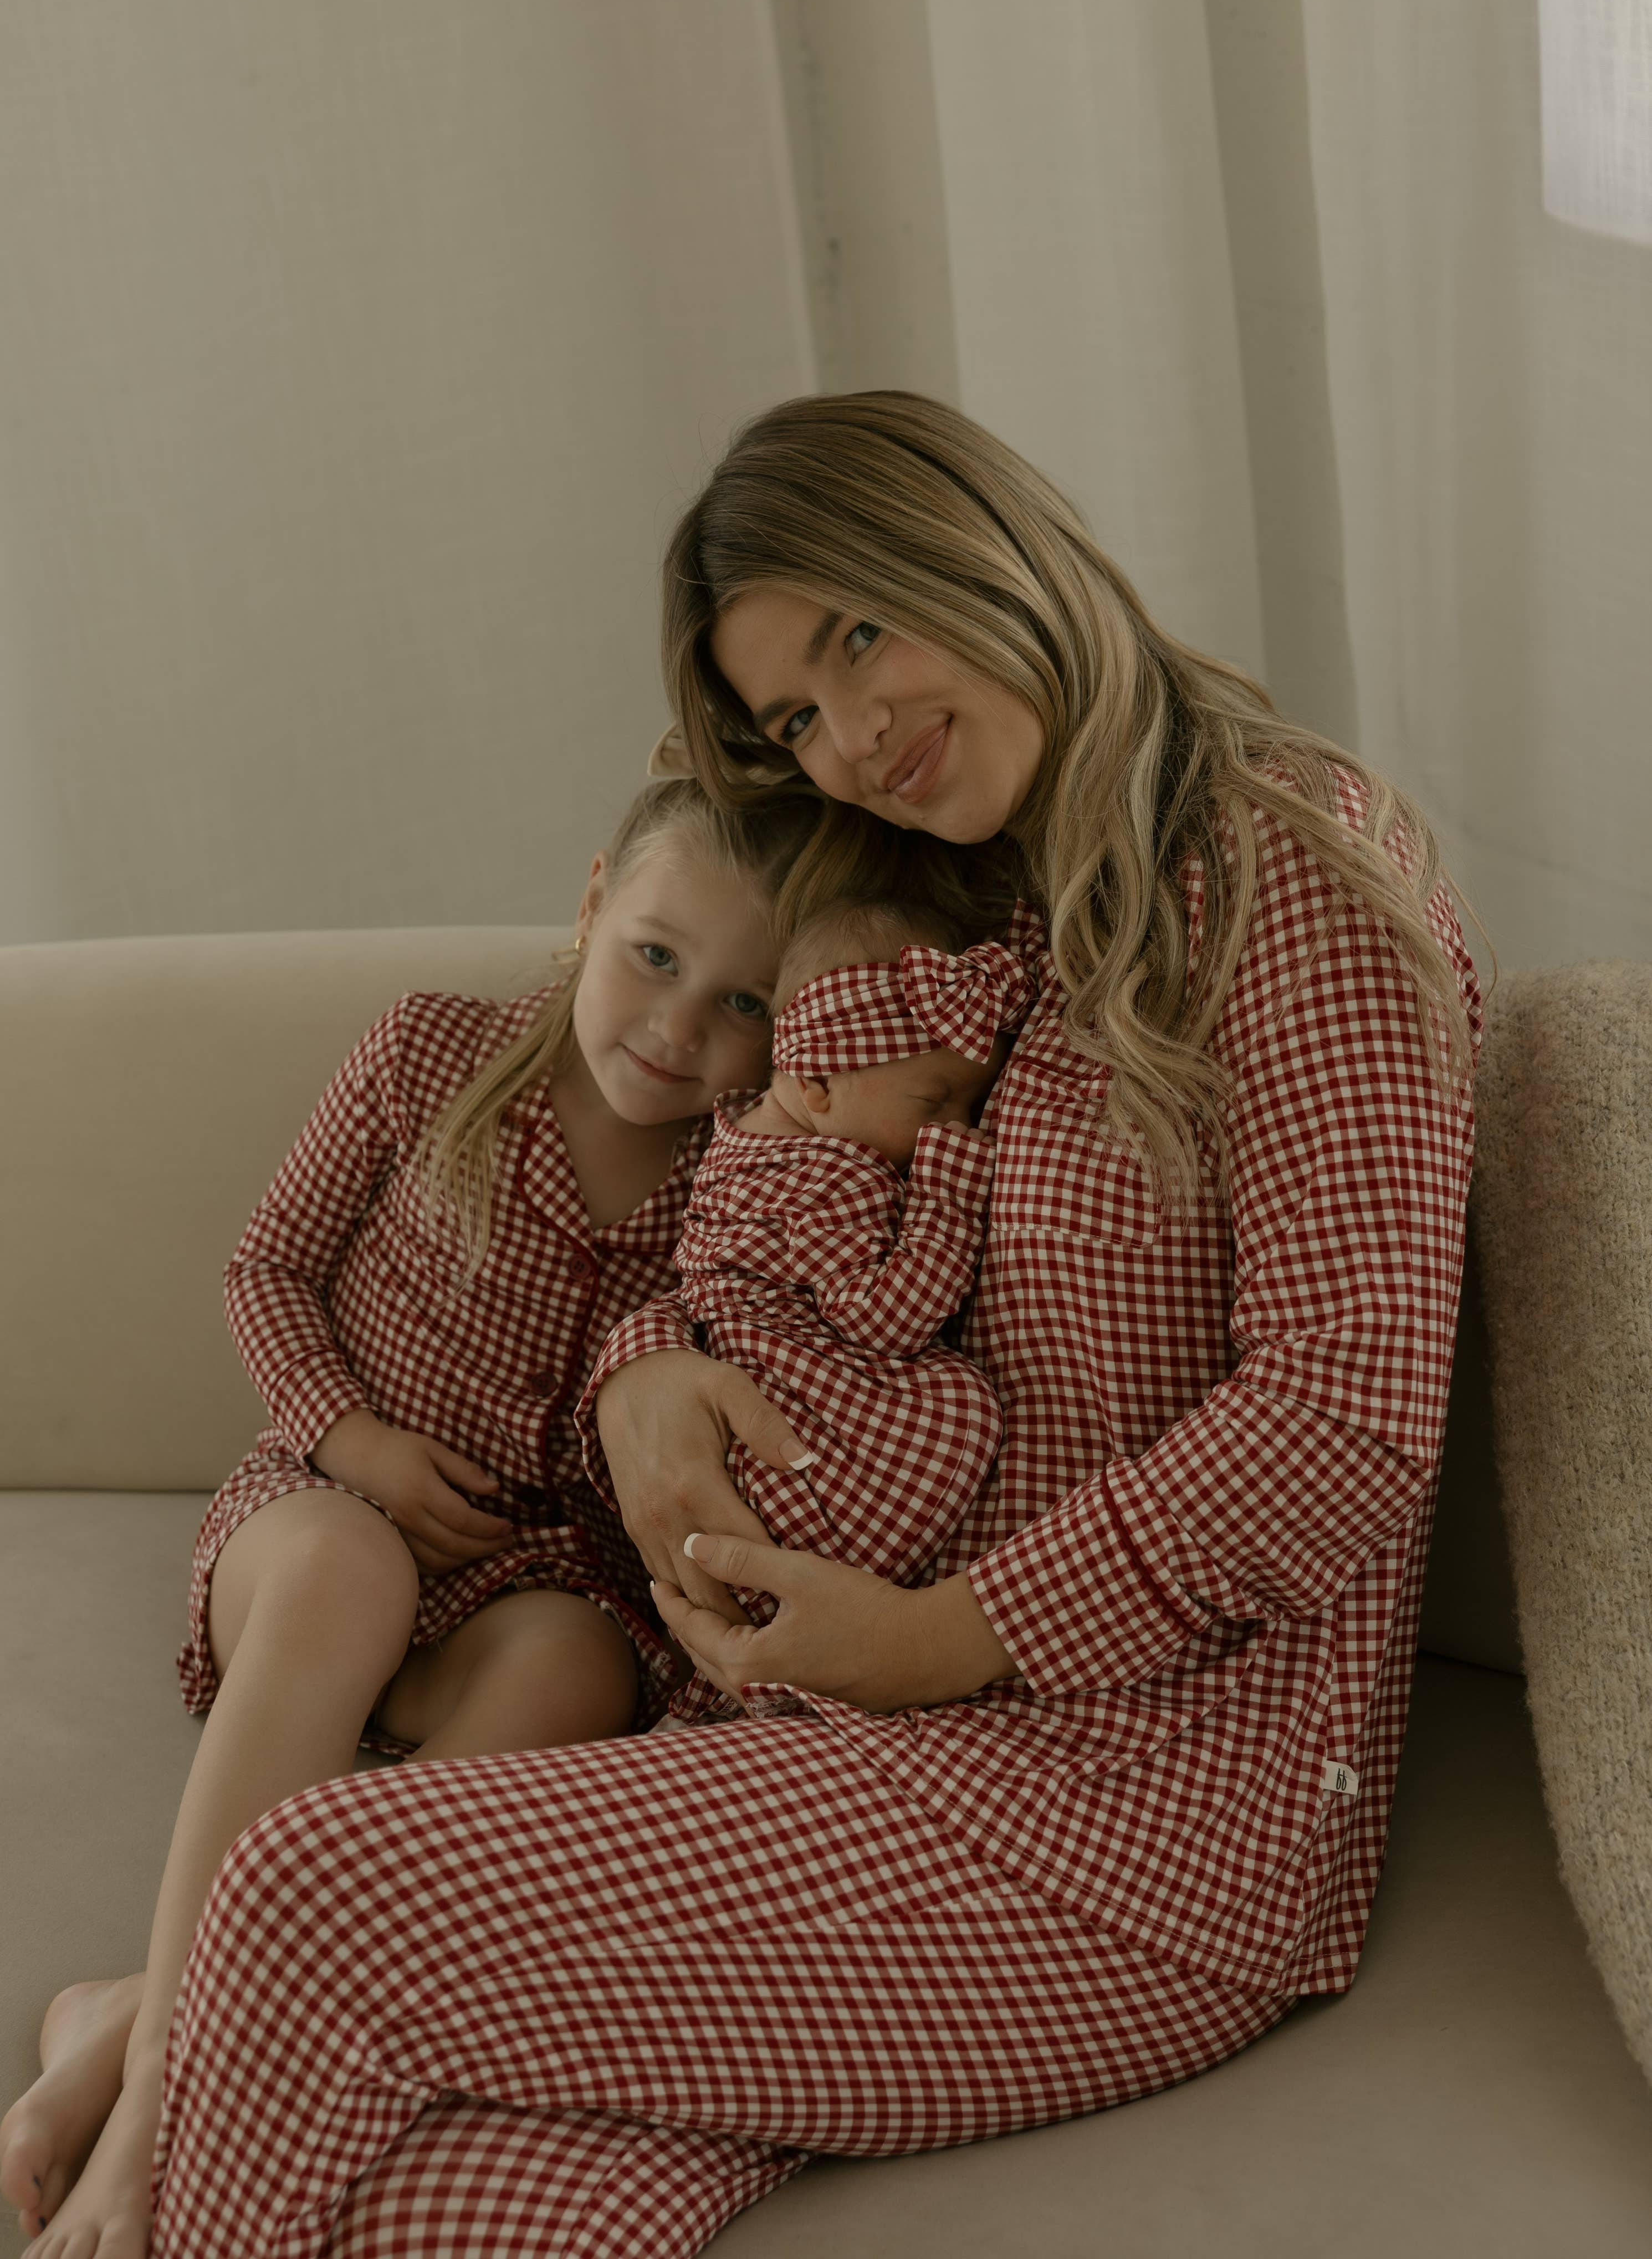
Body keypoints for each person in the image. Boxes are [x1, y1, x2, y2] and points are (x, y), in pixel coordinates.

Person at [67, 389, 1479, 2259]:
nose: (853, 735)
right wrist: (649, 1375)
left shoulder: (1286, 867)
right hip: (811, 1734)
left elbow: (1344, 1415)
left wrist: (941, 1639)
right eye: (796, 716)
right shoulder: (934, 909)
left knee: (313, 1893)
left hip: (1133, 1818)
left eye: (859, 637)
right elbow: (760, 1216)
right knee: (439, 2215)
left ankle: (128, 2077)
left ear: (979, 543)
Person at [1, 774, 822, 2257]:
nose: (678, 1028)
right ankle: (159, 2099)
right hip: (316, 1515)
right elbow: (264, 1270)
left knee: (576, 1666)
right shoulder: (425, 1052)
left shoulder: (746, 1178)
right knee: (346, 1566)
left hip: (528, 1581)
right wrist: (355, 1442)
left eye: (743, 1003)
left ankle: (134, 2004)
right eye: (654, 956)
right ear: (593, 902)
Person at [656, 898, 1031, 1718]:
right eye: (936, 1104)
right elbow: (886, 1319)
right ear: (819, 1084)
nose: (959, 1129)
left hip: (746, 1426)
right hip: (801, 1433)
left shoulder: (740, 1139)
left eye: (969, 1111)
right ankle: (835, 1617)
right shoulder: (837, 1175)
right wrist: (949, 1194)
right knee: (956, 1403)